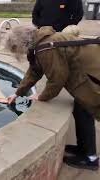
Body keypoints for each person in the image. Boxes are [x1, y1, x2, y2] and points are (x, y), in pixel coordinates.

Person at [5, 25, 100, 170]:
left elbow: (57, 79)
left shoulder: (45, 48)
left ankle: (90, 158)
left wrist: (42, 96)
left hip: (93, 75)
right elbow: (35, 71)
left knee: (85, 111)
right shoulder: (42, 41)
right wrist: (18, 92)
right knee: (80, 111)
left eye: (16, 50)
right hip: (89, 71)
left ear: (21, 43)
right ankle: (83, 149)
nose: (20, 54)